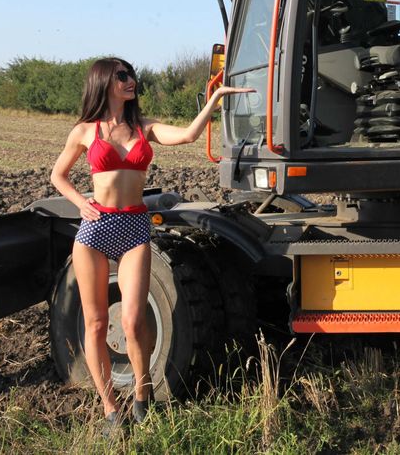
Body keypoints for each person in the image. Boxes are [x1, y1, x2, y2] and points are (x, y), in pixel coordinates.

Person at [50, 57, 250, 430]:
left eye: (132, 75)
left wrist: (214, 99)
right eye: (122, 75)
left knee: (132, 320)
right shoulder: (85, 131)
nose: (131, 80)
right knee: (95, 323)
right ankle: (111, 410)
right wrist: (80, 203)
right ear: (104, 81)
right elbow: (57, 175)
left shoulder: (144, 127)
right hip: (95, 231)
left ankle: (142, 397)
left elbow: (188, 135)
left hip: (134, 228)